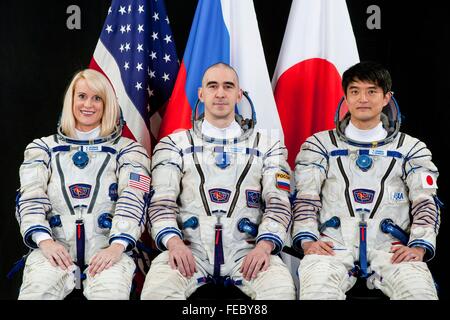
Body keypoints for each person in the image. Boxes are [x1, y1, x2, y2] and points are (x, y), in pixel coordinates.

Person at [140, 62, 296, 300]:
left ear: (239, 94)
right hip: (189, 249)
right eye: (212, 86)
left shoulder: (268, 146)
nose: (220, 93)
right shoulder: (175, 145)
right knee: (156, 292)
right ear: (201, 94)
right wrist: (174, 243)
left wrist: (265, 246)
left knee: (281, 291)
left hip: (249, 250)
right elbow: (161, 202)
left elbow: (278, 202)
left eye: (228, 86)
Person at [291, 61, 441, 300]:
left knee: (420, 293)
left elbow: (425, 202)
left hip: (391, 249)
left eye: (371, 91)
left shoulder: (411, 148)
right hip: (333, 246)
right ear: (345, 97)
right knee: (317, 293)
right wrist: (308, 241)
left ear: (386, 98)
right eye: (355, 91)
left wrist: (419, 245)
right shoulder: (319, 145)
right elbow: (305, 198)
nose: (363, 98)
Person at [15, 69, 151, 299]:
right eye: (82, 96)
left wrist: (117, 246)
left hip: (108, 251)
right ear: (71, 100)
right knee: (35, 292)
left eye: (97, 98)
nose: (88, 104)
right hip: (53, 249)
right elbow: (30, 197)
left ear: (107, 104)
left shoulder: (129, 150)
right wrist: (44, 241)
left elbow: (135, 199)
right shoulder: (42, 148)